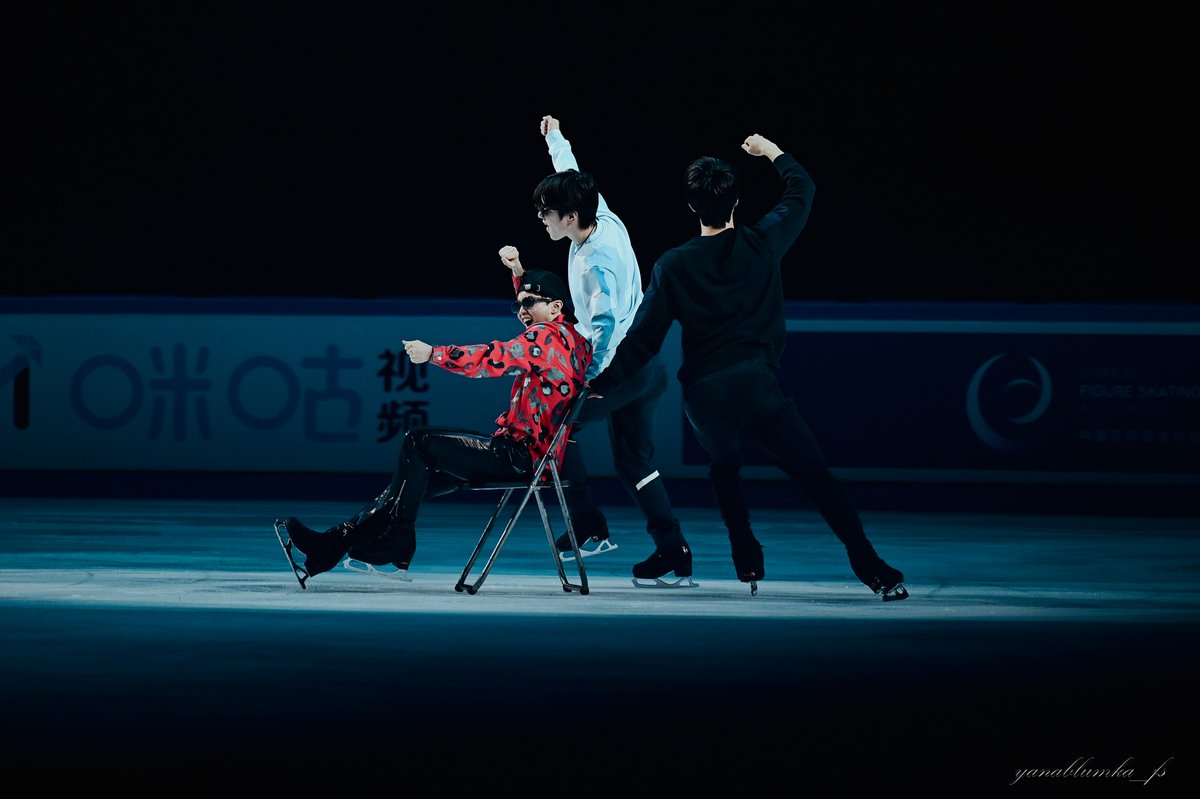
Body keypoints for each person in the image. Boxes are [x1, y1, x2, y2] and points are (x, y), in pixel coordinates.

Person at [588, 133, 909, 601]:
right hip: (757, 385)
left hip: (705, 395)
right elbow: (803, 190)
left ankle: (745, 551)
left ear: (691, 206)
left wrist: (601, 384)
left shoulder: (673, 265)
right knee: (814, 476)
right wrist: (771, 151)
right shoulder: (763, 243)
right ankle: (870, 564)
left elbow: (642, 341)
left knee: (724, 464)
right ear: (737, 201)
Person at [273, 269, 591, 587]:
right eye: (517, 303)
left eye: (530, 302)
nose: (521, 309)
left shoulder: (545, 336)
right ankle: (330, 547)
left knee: (418, 442)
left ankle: (393, 547)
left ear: (556, 308)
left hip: (518, 456)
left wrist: (433, 354)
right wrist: (518, 272)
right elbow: (537, 304)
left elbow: (495, 357)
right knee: (410, 485)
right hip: (540, 460)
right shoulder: (576, 343)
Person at [497, 115, 692, 587]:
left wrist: (588, 378)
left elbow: (603, 329)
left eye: (546, 212)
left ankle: (587, 527)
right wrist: (554, 138)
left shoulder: (594, 264)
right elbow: (571, 171)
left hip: (622, 366)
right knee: (634, 462)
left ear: (568, 218)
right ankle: (674, 554)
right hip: (647, 361)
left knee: (556, 426)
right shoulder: (598, 214)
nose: (541, 218)